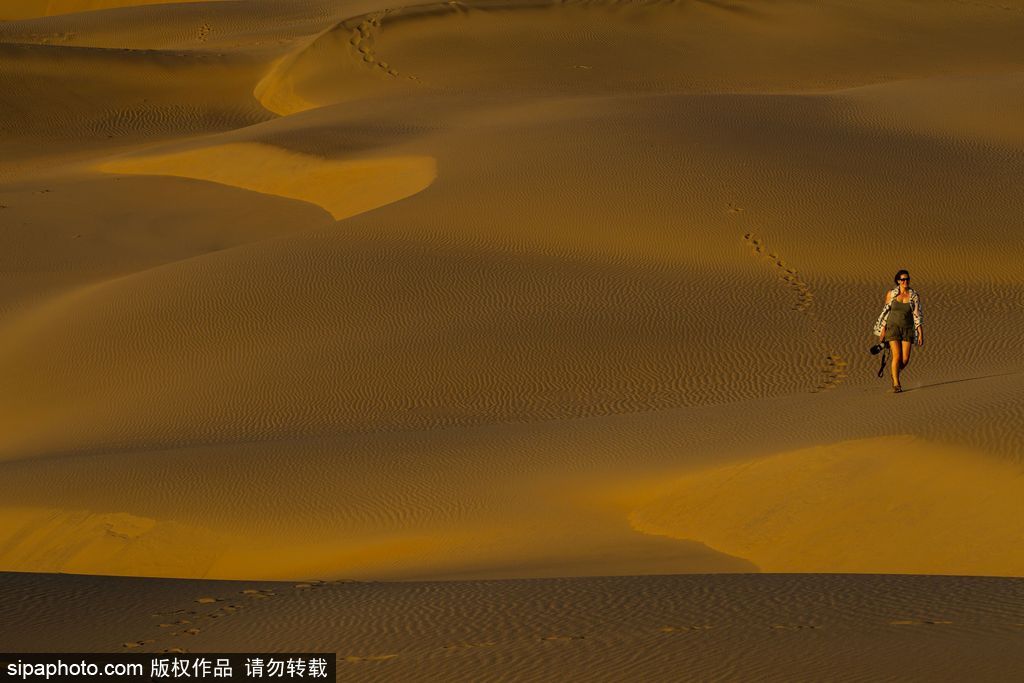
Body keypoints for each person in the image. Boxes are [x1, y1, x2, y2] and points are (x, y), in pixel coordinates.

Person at [872, 269, 923, 392]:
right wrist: (883, 330)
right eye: (903, 279)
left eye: (907, 279)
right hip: (892, 328)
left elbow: (917, 315)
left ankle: (894, 372)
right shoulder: (891, 294)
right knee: (897, 355)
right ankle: (896, 384)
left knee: (905, 359)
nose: (905, 281)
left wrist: (920, 333)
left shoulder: (914, 296)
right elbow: (886, 312)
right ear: (898, 281)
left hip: (907, 329)